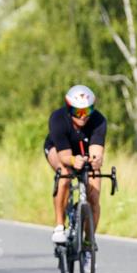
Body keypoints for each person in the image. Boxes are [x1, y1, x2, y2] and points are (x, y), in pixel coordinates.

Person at [43, 85, 107, 244]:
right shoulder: (58, 119)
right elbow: (64, 156)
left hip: (84, 151)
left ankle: (88, 242)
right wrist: (73, 161)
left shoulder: (99, 120)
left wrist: (96, 159)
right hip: (59, 149)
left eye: (88, 110)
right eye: (78, 112)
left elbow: (96, 150)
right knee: (64, 174)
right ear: (69, 108)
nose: (83, 116)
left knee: (94, 195)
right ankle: (59, 225)